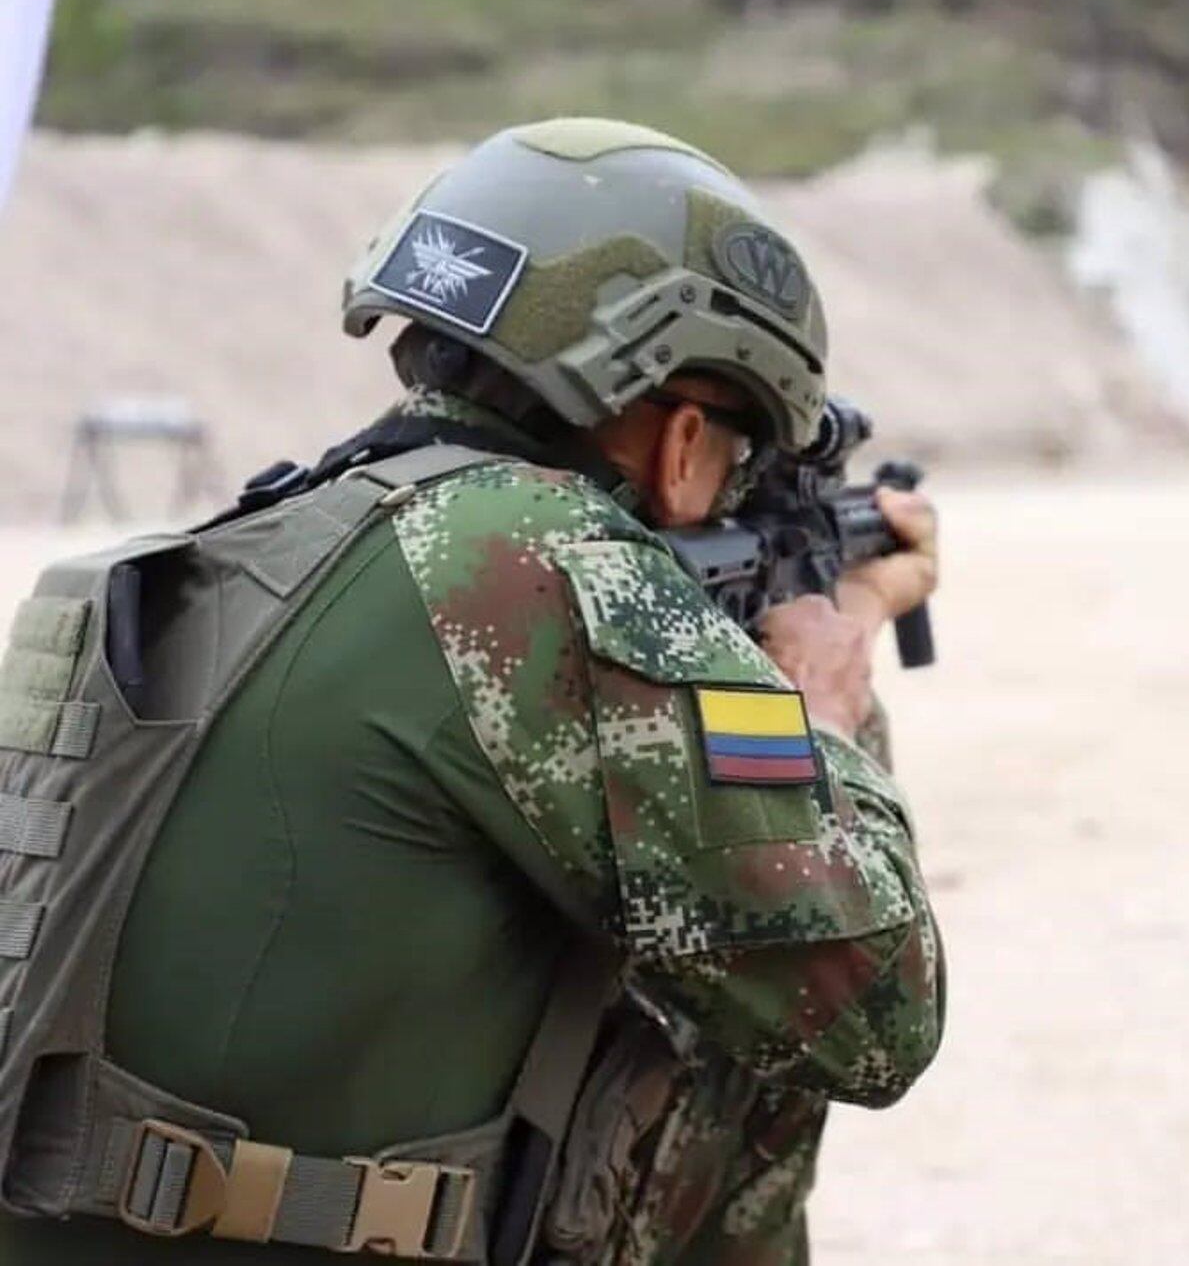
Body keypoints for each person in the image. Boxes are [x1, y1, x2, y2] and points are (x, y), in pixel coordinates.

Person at [0, 118, 944, 1264]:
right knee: (743, 1015)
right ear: (689, 433)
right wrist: (824, 710)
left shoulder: (252, 543)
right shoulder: (537, 558)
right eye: (740, 461)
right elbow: (873, 1015)